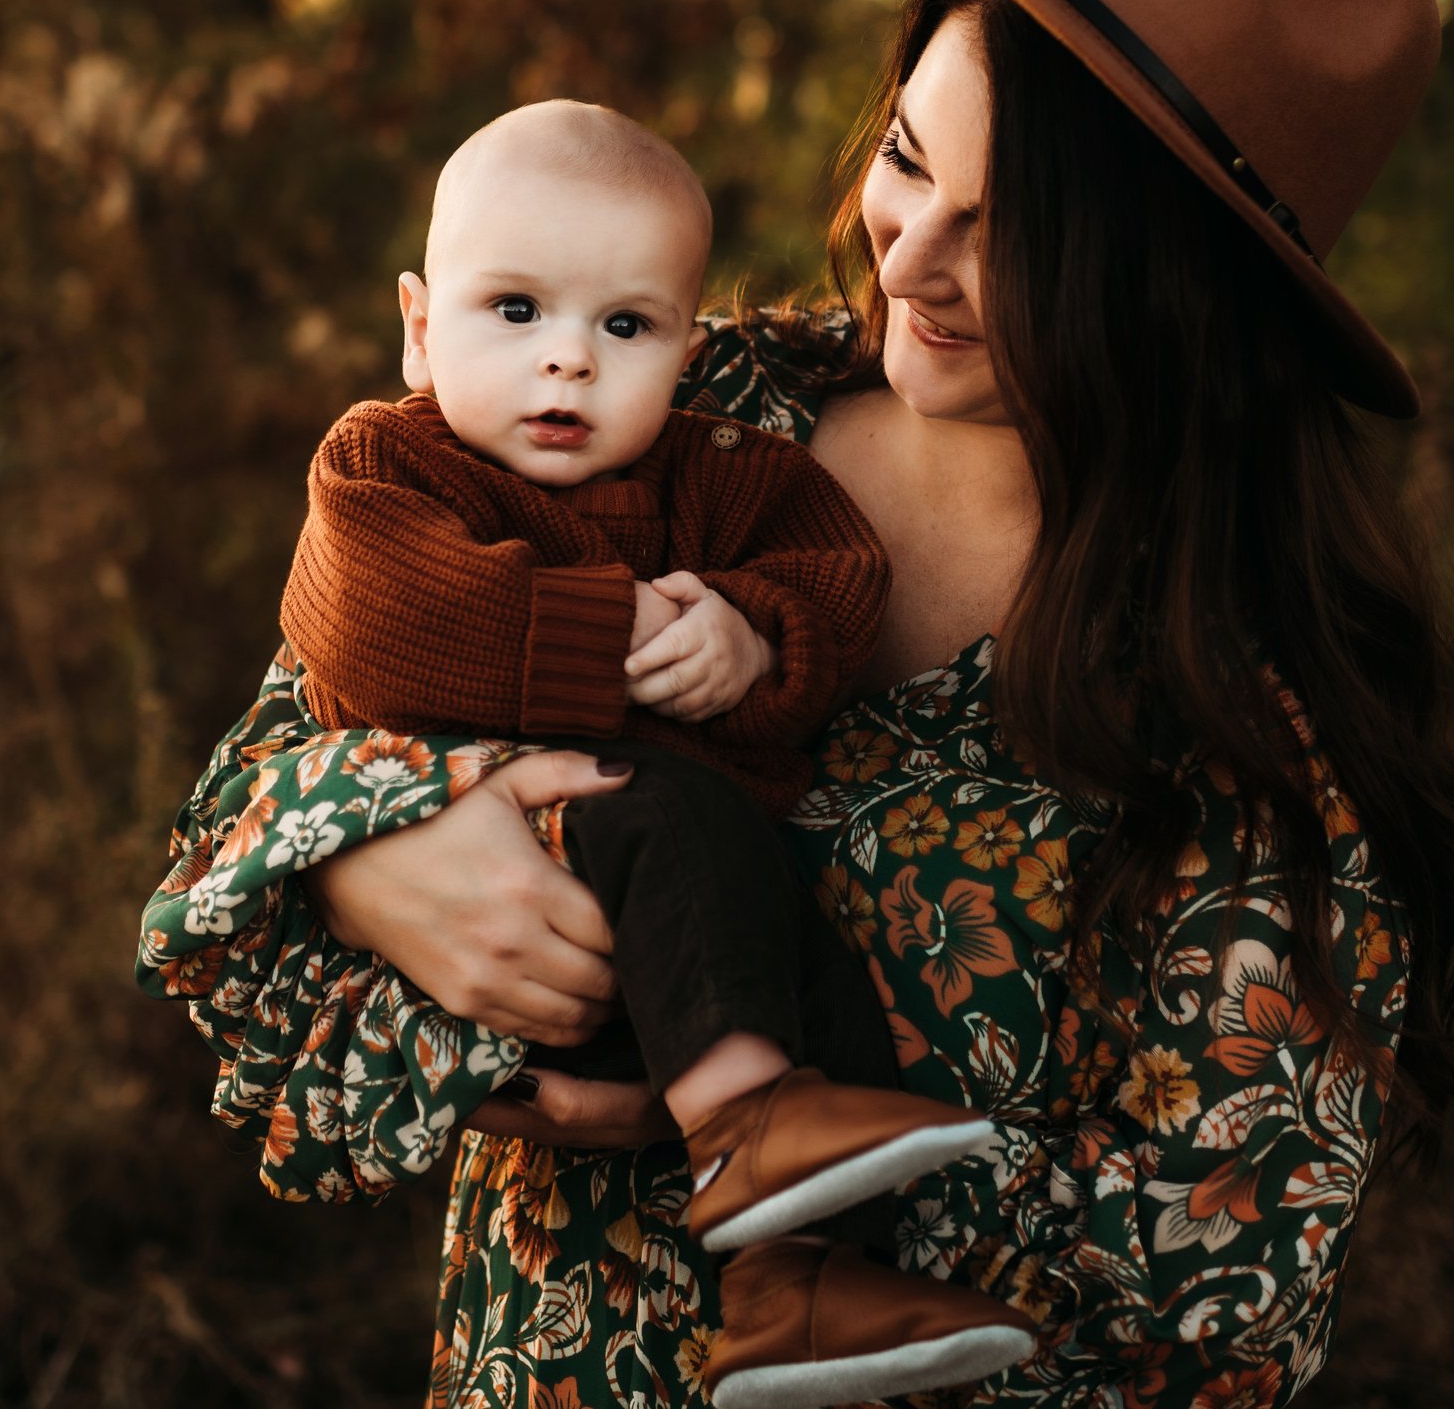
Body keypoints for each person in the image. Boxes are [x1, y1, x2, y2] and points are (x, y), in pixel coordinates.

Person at [140, 0, 1454, 1406]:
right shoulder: (679, 403)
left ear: (1182, 294)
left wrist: (722, 1099)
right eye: (909, 159)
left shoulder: (1241, 712)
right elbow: (227, 838)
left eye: (1014, 233)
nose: (913, 257)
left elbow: (1217, 1305)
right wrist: (384, 868)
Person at [199, 95, 1038, 1404]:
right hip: (530, 954)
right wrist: (617, 631)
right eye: (515, 311)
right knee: (675, 812)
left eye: (625, 326)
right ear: (420, 327)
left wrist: (755, 638)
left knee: (807, 953)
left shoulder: (719, 463)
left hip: (684, 974)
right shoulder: (393, 465)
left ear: (688, 352)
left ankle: (798, 1286)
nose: (569, 363)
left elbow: (833, 569)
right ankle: (754, 1133)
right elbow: (381, 627)